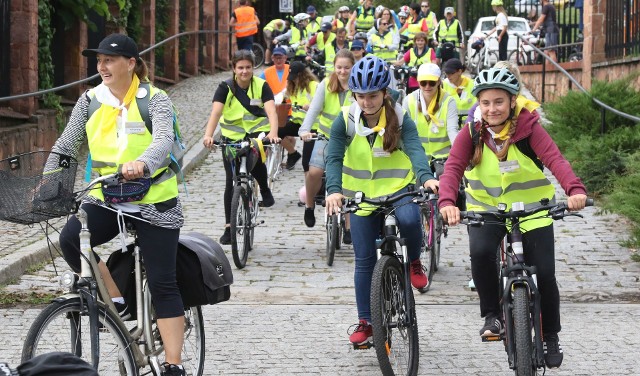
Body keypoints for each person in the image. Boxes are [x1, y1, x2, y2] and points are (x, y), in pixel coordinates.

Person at [53, 33, 186, 376]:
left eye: (109, 60)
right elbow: (66, 146)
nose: (102, 66)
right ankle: (115, 300)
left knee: (162, 281)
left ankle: (174, 364)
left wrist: (142, 163)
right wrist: (48, 180)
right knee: (70, 238)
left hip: (154, 200)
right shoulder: (90, 100)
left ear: (130, 63)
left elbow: (162, 141)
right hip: (107, 198)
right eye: (99, 61)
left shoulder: (154, 98)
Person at [438, 67, 588, 369]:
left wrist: (574, 189)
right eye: (486, 102)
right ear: (478, 104)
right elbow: (453, 167)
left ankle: (550, 335)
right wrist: (447, 201)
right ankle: (492, 315)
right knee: (480, 254)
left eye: (499, 102)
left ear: (511, 102)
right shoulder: (472, 132)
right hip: (487, 209)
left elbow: (554, 159)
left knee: (544, 273)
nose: (492, 109)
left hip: (533, 209)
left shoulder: (529, 128)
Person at [323, 55, 439, 345]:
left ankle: (413, 261)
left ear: (384, 93)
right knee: (363, 260)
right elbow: (334, 156)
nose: (366, 102)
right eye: (360, 96)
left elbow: (414, 148)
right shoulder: (346, 118)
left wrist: (425, 177)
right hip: (362, 197)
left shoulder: (399, 117)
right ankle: (366, 322)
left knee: (411, 219)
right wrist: (333, 190)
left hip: (399, 190)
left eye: (372, 96)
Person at [203, 50, 280, 244]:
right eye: (240, 68)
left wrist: (273, 133)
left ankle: (264, 188)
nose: (244, 71)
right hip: (232, 137)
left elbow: (271, 111)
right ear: (234, 69)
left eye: (248, 67)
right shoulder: (225, 88)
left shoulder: (262, 86)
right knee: (231, 180)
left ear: (253, 68)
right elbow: (215, 113)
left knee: (256, 156)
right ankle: (229, 227)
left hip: (256, 133)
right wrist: (208, 135)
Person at [298, 49, 354, 238]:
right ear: (334, 67)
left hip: (350, 139)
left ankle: (348, 225)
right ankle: (309, 204)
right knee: (314, 171)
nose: (343, 71)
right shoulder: (325, 85)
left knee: (347, 178)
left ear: (353, 67)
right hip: (326, 136)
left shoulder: (357, 86)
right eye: (339, 67)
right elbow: (313, 109)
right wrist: (304, 130)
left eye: (347, 67)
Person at [402, 63, 458, 169]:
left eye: (432, 83)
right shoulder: (409, 100)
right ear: (418, 82)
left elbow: (452, 130)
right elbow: (403, 133)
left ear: (438, 82)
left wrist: (459, 155)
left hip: (443, 158)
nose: (427, 86)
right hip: (417, 158)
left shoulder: (448, 101)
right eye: (423, 83)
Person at [259, 47, 301, 170]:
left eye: (281, 57)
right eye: (276, 57)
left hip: (291, 108)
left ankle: (290, 156)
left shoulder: (291, 69)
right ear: (272, 58)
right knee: (278, 133)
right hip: (274, 108)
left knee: (288, 136)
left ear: (285, 58)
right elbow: (259, 86)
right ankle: (292, 154)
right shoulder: (266, 72)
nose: (278, 60)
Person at [285, 61, 320, 175]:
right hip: (297, 123)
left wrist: (312, 107)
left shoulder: (314, 86)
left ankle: (313, 186)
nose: (293, 80)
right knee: (276, 131)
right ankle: (293, 154)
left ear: (302, 75)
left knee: (307, 162)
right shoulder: (292, 86)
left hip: (312, 127)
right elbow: (282, 97)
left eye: (295, 78)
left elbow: (323, 106)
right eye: (292, 78)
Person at [442, 58, 476, 125]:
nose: (448, 76)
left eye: (451, 73)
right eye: (446, 73)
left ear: (460, 71)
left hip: (469, 127)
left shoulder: (473, 85)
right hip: (450, 126)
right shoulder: (443, 85)